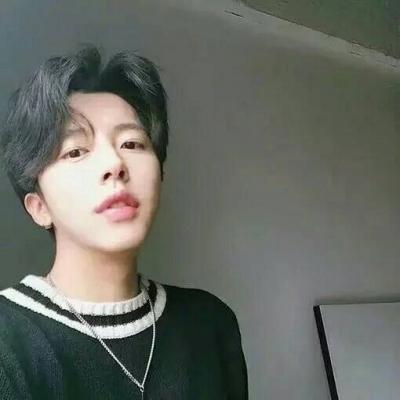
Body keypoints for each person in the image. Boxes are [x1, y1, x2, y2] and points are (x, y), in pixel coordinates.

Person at [0, 44, 248, 399]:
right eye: (76, 151)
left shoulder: (210, 323)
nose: (114, 164)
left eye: (131, 143)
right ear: (39, 207)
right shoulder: (9, 343)